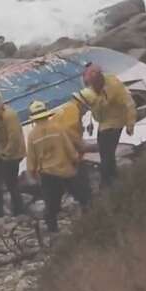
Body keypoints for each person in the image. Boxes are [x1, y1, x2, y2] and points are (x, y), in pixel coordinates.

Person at [26, 100, 91, 233]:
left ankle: (53, 231)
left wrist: (31, 173)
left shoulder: (32, 135)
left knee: (51, 205)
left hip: (48, 174)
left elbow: (31, 159)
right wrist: (76, 160)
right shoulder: (58, 128)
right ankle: (91, 219)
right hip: (66, 170)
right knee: (82, 196)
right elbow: (69, 149)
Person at [83, 64, 137, 187]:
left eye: (94, 83)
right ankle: (113, 178)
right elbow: (92, 103)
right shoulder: (90, 88)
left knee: (106, 153)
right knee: (105, 152)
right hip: (103, 123)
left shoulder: (114, 85)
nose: (93, 86)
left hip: (116, 122)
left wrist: (130, 124)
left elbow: (129, 104)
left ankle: (106, 183)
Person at [0, 94, 26, 218]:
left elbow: (14, 137)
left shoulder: (8, 115)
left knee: (4, 181)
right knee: (9, 182)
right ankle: (16, 209)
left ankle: (6, 210)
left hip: (13, 154)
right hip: (3, 153)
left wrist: (6, 153)